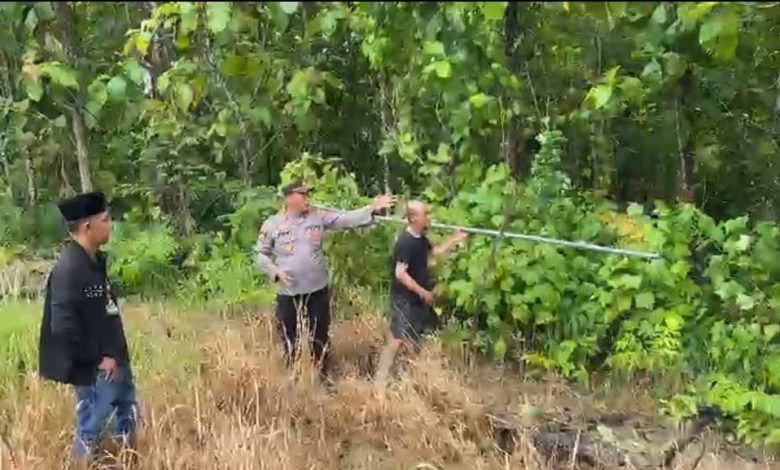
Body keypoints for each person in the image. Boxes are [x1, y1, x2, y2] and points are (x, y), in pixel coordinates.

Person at [255, 180, 395, 384]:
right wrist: (275, 272)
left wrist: (371, 209)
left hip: (316, 289)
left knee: (319, 335)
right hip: (288, 292)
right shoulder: (272, 225)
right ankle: (294, 378)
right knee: (289, 337)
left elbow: (346, 218)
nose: (307, 199)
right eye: (303, 195)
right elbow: (260, 255)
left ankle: (322, 377)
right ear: (290, 197)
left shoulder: (318, 215)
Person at [38, 192, 138, 465]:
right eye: (105, 220)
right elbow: (63, 327)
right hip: (95, 368)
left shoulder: (95, 262)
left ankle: (128, 462)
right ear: (87, 227)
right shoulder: (69, 269)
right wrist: (97, 360)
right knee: (91, 431)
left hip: (115, 359)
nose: (110, 225)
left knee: (126, 420)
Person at [374, 200, 468, 388]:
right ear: (414, 218)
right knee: (398, 338)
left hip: (416, 299)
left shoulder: (421, 239)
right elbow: (400, 274)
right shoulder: (405, 242)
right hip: (404, 299)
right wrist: (423, 291)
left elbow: (434, 254)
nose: (429, 218)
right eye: (426, 214)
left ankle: (407, 378)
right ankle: (380, 381)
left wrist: (453, 240)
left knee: (414, 337)